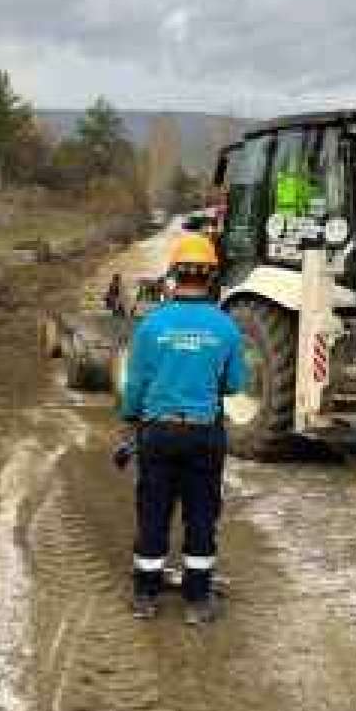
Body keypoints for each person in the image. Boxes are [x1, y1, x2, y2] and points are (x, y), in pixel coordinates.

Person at [119, 234, 246, 625]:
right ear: (210, 277)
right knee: (202, 513)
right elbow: (234, 384)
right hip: (204, 435)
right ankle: (196, 599)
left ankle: (145, 594)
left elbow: (136, 384)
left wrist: (130, 419)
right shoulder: (226, 328)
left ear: (174, 274)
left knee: (154, 510)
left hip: (158, 433)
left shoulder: (152, 325)